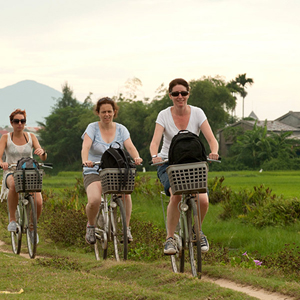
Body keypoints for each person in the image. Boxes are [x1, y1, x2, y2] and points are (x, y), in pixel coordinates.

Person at [149, 78, 219, 255]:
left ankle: (197, 231)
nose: (180, 96)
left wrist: (214, 152)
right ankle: (170, 238)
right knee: (176, 195)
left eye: (183, 93)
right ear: (170, 95)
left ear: (188, 93)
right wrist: (154, 156)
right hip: (169, 163)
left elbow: (211, 139)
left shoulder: (197, 113)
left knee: (202, 199)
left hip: (193, 163)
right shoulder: (163, 115)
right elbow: (155, 141)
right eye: (175, 94)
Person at [81, 97, 143, 245]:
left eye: (109, 111)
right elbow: (86, 146)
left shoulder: (121, 129)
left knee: (125, 195)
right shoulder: (92, 128)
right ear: (98, 113)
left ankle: (126, 228)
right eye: (103, 112)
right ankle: (91, 225)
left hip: (115, 171)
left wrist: (137, 157)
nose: (106, 115)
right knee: (95, 200)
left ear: (114, 112)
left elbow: (130, 146)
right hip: (94, 169)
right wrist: (85, 160)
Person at [0, 109, 47, 240]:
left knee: (39, 202)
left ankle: (31, 227)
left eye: (22, 121)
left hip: (29, 173)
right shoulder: (6, 137)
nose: (20, 124)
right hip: (11, 172)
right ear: (11, 123)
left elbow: (43, 157)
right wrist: (2, 164)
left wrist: (42, 152)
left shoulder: (31, 137)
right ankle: (12, 219)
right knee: (13, 185)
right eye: (16, 121)